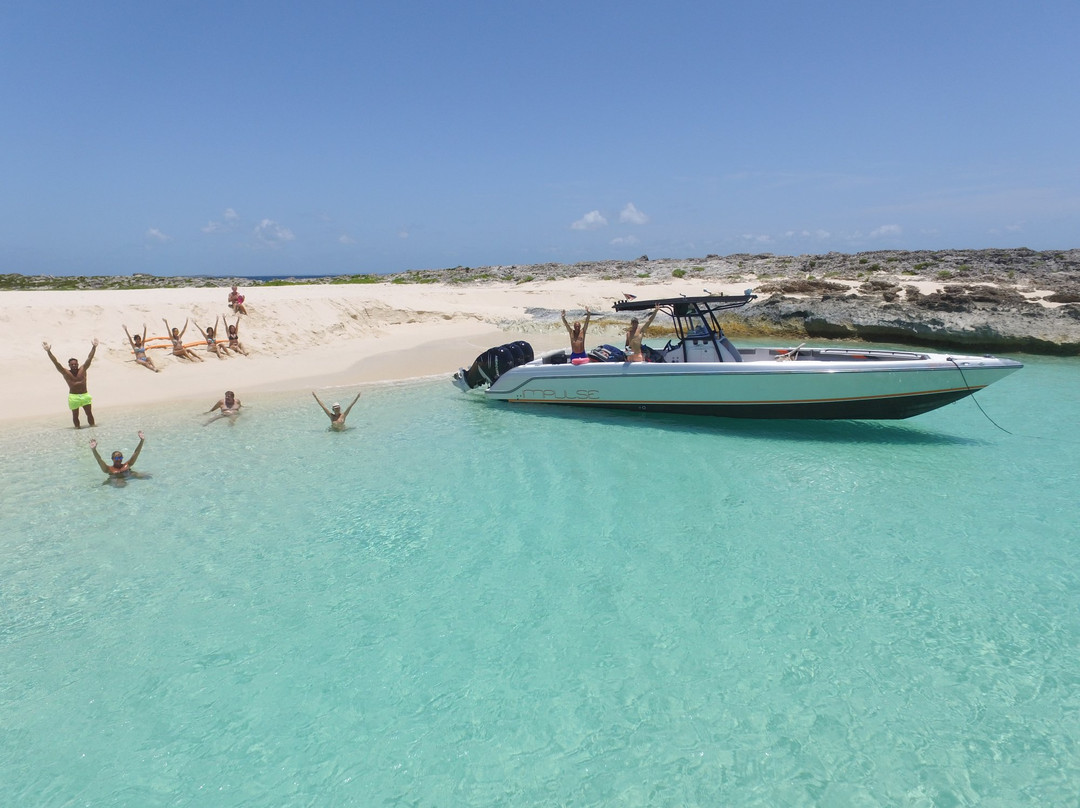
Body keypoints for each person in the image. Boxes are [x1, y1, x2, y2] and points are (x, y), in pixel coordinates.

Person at [43, 339, 98, 428]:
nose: (74, 366)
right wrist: (48, 351)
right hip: (73, 397)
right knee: (75, 416)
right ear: (69, 365)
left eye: (75, 364)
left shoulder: (83, 369)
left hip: (85, 395)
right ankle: (77, 430)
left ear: (78, 364)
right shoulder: (65, 372)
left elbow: (89, 358)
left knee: (89, 413)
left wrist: (94, 347)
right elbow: (56, 363)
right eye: (72, 365)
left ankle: (93, 428)